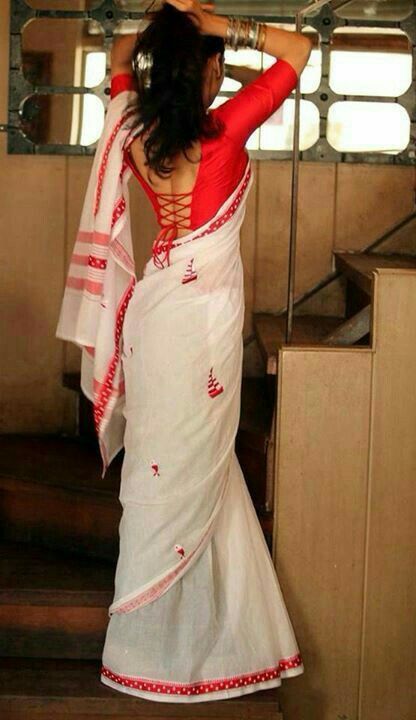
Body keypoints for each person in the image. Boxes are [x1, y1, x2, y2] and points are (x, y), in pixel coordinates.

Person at [56, 0, 311, 704]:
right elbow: (299, 51)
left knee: (162, 465)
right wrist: (213, 23)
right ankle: (191, 647)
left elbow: (118, 63)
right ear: (206, 71)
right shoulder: (225, 129)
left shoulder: (133, 129)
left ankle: (159, 646)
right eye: (217, 67)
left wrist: (164, 27)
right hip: (200, 321)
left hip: (156, 309)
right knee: (196, 463)